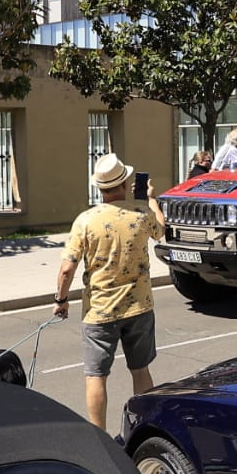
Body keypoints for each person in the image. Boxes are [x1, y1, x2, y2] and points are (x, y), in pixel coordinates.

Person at [56, 153, 169, 429]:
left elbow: (67, 269)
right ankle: (144, 427)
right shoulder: (140, 214)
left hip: (99, 311)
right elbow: (161, 229)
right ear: (125, 183)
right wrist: (151, 198)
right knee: (140, 370)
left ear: (100, 187)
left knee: (96, 376)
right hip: (139, 308)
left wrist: (61, 300)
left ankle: (100, 436)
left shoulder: (85, 220)